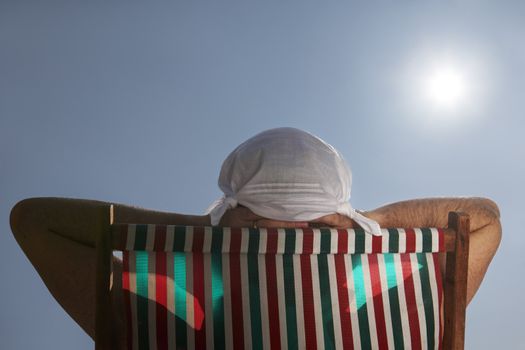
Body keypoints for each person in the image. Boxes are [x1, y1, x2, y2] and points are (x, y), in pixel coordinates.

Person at [9, 127, 501, 346]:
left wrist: (203, 232)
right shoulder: (406, 313)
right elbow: (484, 218)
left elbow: (34, 219)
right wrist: (367, 222)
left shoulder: (155, 321)